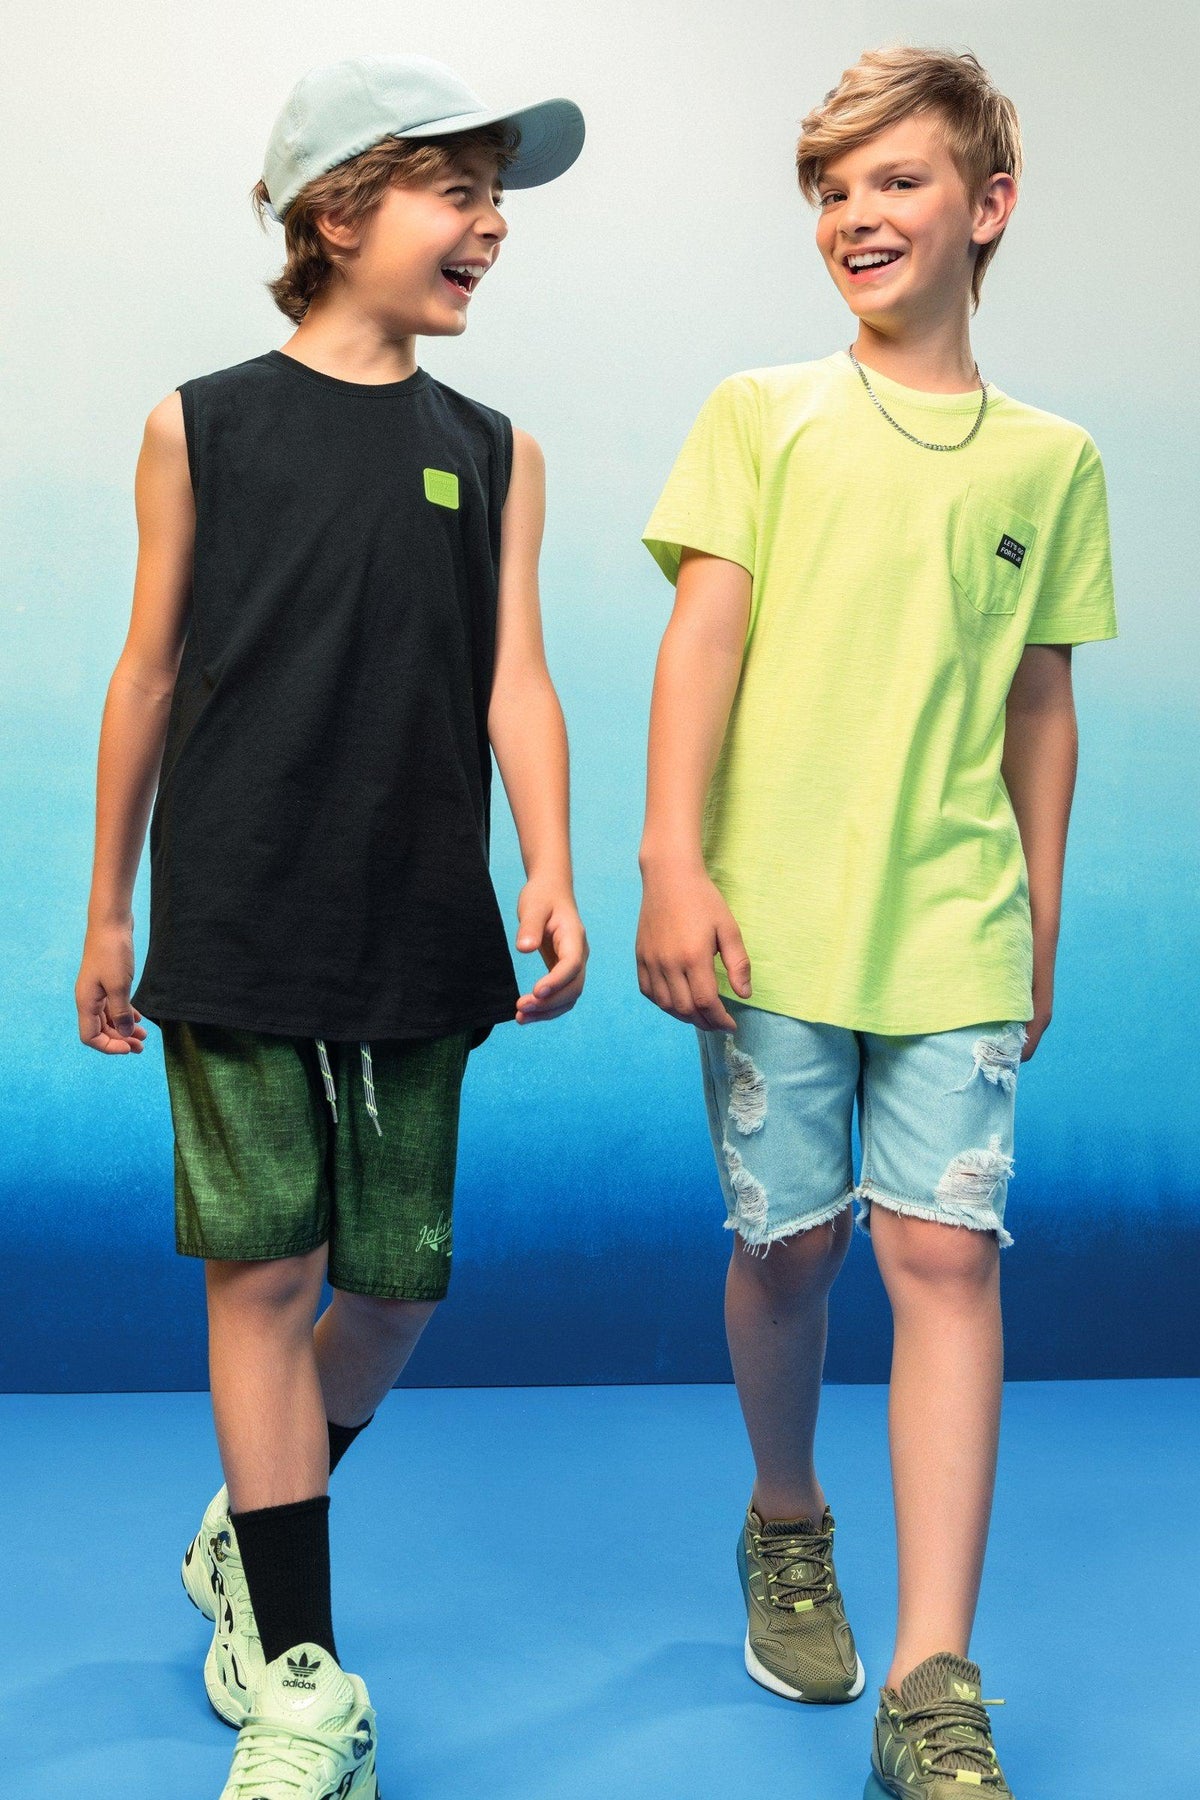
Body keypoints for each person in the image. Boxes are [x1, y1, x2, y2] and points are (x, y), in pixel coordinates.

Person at [75, 53, 586, 1800]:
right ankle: (301, 1677)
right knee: (266, 1271)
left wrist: (550, 862)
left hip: (421, 919)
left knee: (386, 1289)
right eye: (460, 189)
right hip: (235, 909)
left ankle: (251, 1527)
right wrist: (109, 906)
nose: (492, 226)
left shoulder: (496, 453)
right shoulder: (198, 425)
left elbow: (517, 680)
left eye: (497, 197)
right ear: (340, 210)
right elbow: (147, 677)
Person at [637, 46, 1115, 1799]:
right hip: (768, 923)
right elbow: (703, 641)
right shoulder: (761, 414)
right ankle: (787, 1518)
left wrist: (1039, 918)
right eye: (833, 190)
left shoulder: (1053, 461)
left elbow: (1042, 704)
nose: (857, 213)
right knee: (794, 1250)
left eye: (897, 180)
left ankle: (932, 1682)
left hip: (957, 927)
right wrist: (670, 862)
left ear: (988, 207)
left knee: (947, 1260)